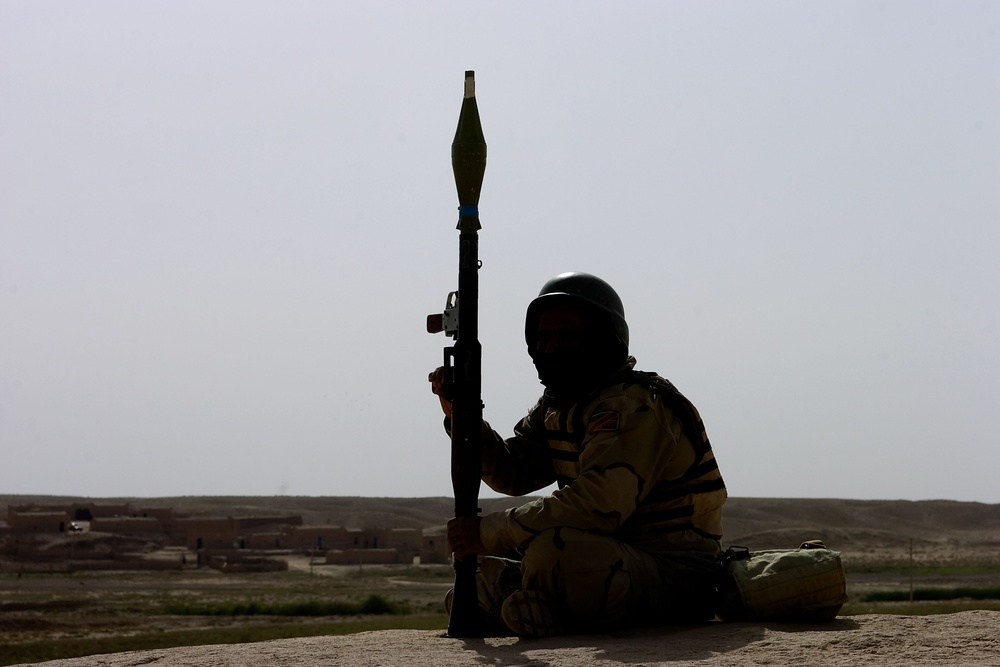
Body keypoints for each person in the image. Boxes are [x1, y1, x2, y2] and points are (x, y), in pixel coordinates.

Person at [429, 272, 727, 638]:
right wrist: (462, 417)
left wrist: (490, 531)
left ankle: (538, 609)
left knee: (552, 552)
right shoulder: (560, 407)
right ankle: (539, 609)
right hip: (610, 559)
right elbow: (514, 473)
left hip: (674, 572)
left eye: (566, 337)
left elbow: (599, 505)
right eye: (543, 337)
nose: (551, 348)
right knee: (474, 578)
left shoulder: (631, 405)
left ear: (603, 340)